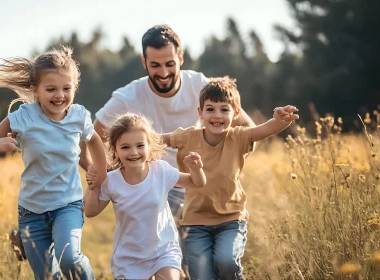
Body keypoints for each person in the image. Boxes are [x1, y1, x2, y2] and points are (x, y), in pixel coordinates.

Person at [84, 24, 255, 222]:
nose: (164, 73)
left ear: (180, 58)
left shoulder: (200, 85)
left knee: (203, 248)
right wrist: (102, 175)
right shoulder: (127, 97)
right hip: (155, 187)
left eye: (170, 64)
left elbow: (248, 129)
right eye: (155, 65)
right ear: (144, 62)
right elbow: (91, 138)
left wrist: (226, 166)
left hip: (199, 182)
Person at [0, 46, 107, 280]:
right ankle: (23, 240)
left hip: (67, 205)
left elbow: (94, 141)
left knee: (69, 258)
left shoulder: (78, 117)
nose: (59, 95)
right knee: (48, 276)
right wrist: (2, 145)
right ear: (35, 90)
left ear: (74, 88)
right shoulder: (24, 116)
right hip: (31, 211)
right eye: (51, 89)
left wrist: (98, 171)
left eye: (66, 88)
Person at [162, 76, 299, 280]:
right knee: (201, 274)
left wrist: (280, 122)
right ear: (200, 113)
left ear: (235, 113)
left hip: (231, 220)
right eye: (210, 109)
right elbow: (155, 140)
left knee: (226, 261)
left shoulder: (238, 137)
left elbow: (264, 130)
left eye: (224, 109)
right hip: (195, 222)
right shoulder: (188, 137)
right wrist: (132, 141)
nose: (217, 115)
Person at [83, 113, 207, 280]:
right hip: (129, 257)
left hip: (164, 250)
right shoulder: (112, 180)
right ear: (115, 150)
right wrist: (95, 186)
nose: (134, 152)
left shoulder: (161, 171)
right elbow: (91, 211)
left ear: (149, 146)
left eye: (140, 145)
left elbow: (196, 182)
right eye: (125, 147)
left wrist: (196, 168)